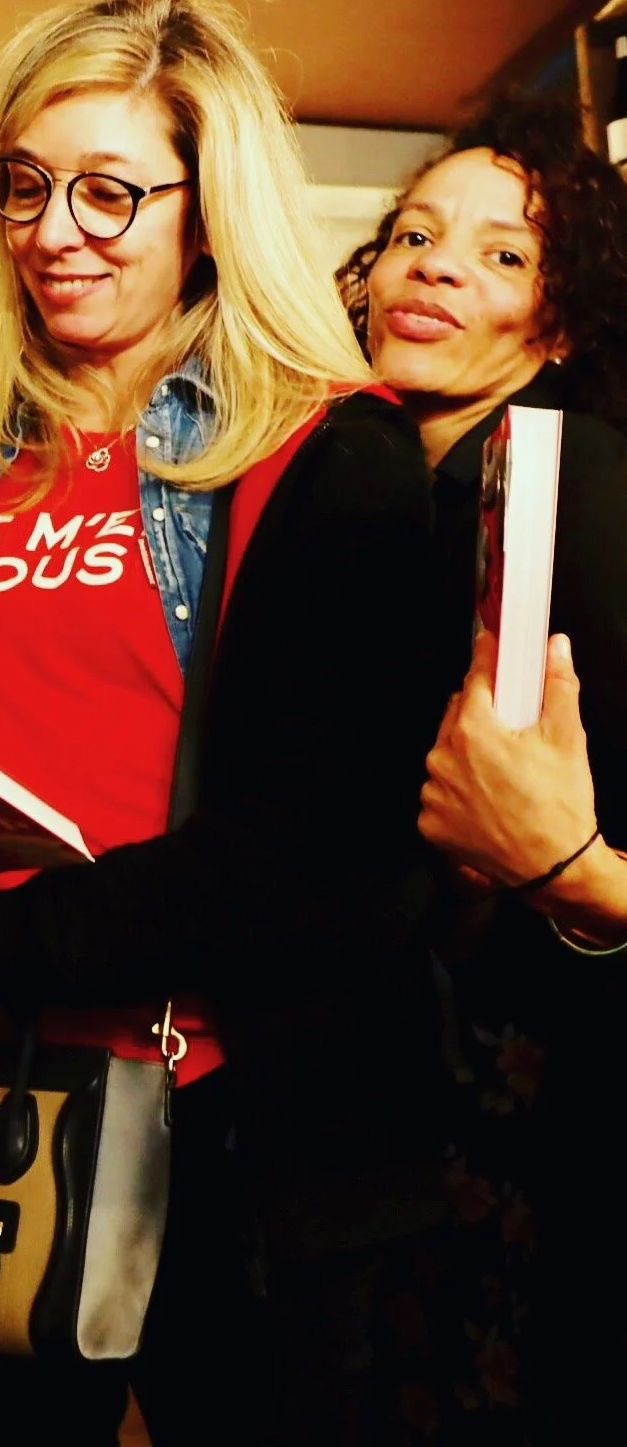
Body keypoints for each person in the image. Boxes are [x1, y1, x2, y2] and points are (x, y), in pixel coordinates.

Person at [0, 0, 447, 1445]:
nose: (51, 231)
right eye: (22, 186)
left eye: (107, 192)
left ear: (211, 206)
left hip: (221, 1123)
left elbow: (311, 853)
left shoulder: (332, 458)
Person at [340, 91, 627, 1444]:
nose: (439, 265)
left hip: (543, 1068)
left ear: (555, 324)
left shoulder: (587, 494)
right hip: (412, 1076)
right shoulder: (388, 490)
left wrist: (566, 865)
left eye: (503, 254)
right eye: (414, 235)